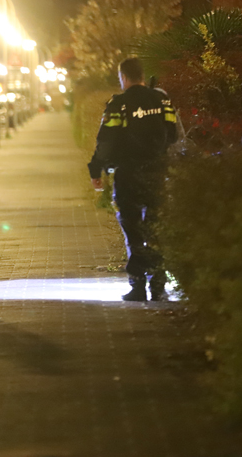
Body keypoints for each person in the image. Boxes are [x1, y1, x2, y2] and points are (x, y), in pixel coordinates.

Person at [88, 58, 177, 302]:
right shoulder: (161, 100)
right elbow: (173, 133)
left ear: (123, 78)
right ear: (141, 75)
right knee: (156, 227)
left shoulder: (119, 104)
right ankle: (158, 284)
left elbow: (106, 141)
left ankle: (138, 285)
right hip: (158, 172)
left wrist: (96, 169)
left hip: (128, 174)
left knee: (133, 229)